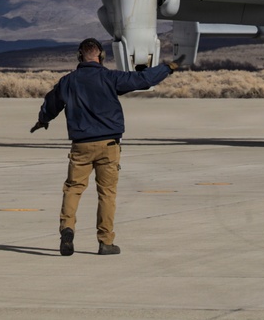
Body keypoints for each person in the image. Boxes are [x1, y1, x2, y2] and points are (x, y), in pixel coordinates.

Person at [30, 38, 178, 256]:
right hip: (109, 145)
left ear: (80, 56)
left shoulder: (67, 81)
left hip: (81, 146)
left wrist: (43, 120)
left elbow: (51, 103)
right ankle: (105, 241)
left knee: (73, 189)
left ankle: (67, 229)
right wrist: (167, 68)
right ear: (101, 56)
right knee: (107, 194)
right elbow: (142, 79)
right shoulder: (111, 78)